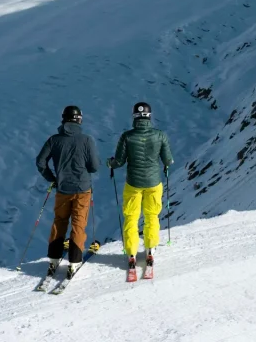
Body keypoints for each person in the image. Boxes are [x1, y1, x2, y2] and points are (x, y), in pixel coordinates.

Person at [108, 102, 174, 272]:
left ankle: (131, 253)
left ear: (134, 117)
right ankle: (150, 249)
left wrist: (110, 163)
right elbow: (168, 160)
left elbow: (119, 162)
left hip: (133, 184)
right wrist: (166, 165)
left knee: (131, 217)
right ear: (149, 116)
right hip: (154, 183)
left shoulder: (127, 136)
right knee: (152, 215)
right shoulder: (160, 135)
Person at [36, 105, 100, 278]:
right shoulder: (87, 140)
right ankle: (74, 261)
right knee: (78, 223)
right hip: (82, 189)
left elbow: (41, 162)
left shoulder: (53, 140)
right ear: (80, 119)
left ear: (63, 119)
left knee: (60, 222)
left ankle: (54, 259)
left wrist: (52, 179)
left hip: (62, 189)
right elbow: (94, 167)